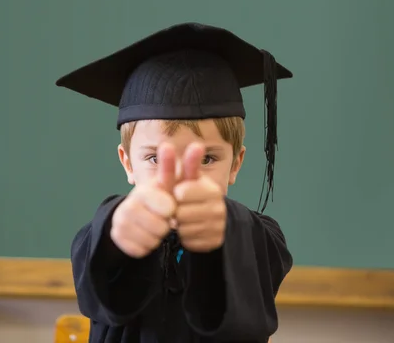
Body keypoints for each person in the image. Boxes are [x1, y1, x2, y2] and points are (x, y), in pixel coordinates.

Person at [56, 22, 294, 343]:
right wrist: (117, 236)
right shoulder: (99, 239)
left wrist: (223, 230)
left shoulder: (261, 239)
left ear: (235, 164)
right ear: (127, 163)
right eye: (155, 158)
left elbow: (253, 270)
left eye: (206, 159)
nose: (182, 177)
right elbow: (101, 284)